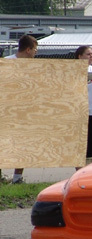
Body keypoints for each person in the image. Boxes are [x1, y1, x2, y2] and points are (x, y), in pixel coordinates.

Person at [4, 35, 38, 183]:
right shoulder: (7, 63)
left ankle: (17, 177)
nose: (36, 52)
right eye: (35, 49)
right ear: (28, 50)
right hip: (6, 110)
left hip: (25, 112)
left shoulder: (34, 66)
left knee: (22, 143)